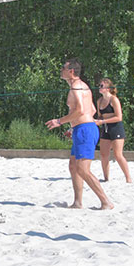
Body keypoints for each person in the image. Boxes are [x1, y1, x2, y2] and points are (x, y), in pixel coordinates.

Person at [46, 59, 114, 209]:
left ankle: (106, 202)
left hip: (85, 130)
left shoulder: (76, 86)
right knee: (73, 166)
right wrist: (73, 127)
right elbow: (92, 110)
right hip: (82, 129)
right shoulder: (83, 86)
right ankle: (78, 202)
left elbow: (80, 111)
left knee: (83, 169)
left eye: (63, 67)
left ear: (71, 71)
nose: (61, 70)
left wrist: (60, 121)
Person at [95, 77, 132, 183]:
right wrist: (96, 121)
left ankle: (128, 177)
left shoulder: (114, 99)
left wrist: (102, 122)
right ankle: (106, 178)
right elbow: (100, 116)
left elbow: (119, 117)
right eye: (99, 85)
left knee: (118, 154)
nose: (99, 87)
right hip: (105, 128)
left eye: (101, 86)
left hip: (116, 128)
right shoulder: (99, 101)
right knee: (103, 154)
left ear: (108, 88)